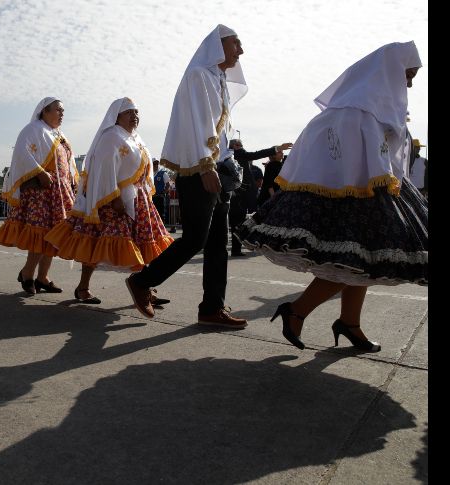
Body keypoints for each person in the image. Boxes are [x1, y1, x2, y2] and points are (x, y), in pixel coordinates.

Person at [235, 41, 427, 352]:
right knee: (350, 261)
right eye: (408, 73)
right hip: (353, 196)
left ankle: (348, 323)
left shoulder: (377, 106)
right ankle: (297, 311)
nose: (410, 82)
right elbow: (343, 157)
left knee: (363, 262)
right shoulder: (355, 109)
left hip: (374, 192)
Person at [124, 24, 249, 326]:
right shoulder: (198, 76)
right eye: (236, 44)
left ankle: (211, 308)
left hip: (216, 169)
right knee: (195, 238)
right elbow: (198, 124)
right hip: (198, 168)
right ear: (219, 46)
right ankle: (142, 281)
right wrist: (206, 166)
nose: (241, 51)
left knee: (218, 243)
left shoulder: (218, 79)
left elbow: (221, 132)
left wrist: (224, 163)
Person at [45, 97, 174, 304]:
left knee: (143, 243)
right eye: (129, 112)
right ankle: (83, 287)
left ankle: (145, 288)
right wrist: (114, 197)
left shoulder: (135, 138)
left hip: (138, 199)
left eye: (136, 113)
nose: (135, 116)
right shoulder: (111, 136)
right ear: (117, 116)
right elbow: (104, 169)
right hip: (113, 200)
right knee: (95, 243)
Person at [0, 97, 81, 295]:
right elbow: (22, 155)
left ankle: (43, 277)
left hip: (59, 193)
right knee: (40, 236)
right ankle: (27, 273)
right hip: (41, 194)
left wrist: (73, 183)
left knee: (54, 236)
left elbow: (69, 163)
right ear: (44, 111)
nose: (62, 114)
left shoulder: (60, 134)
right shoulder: (33, 129)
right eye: (58, 110)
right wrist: (40, 171)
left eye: (63, 111)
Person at [228, 138, 293, 256]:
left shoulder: (230, 156)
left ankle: (236, 249)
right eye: (238, 145)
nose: (241, 146)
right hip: (239, 195)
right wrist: (277, 148)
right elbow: (257, 154)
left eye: (241, 144)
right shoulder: (238, 154)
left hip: (239, 195)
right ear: (233, 146)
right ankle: (236, 249)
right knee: (238, 222)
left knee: (237, 222)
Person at [152, 158, 170, 223]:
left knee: (161, 213)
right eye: (154, 164)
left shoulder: (163, 173)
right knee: (153, 213)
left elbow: (168, 184)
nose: (156, 165)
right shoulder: (149, 174)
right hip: (151, 197)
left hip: (159, 197)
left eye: (157, 163)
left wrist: (163, 192)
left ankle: (162, 229)